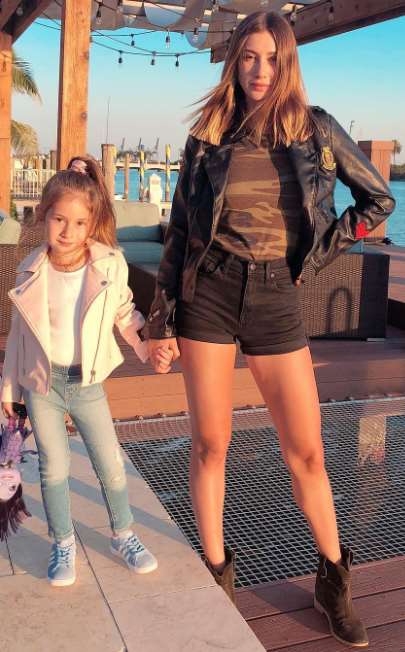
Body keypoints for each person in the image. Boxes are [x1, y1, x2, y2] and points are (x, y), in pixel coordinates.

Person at [145, 10, 395, 648]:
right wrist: (160, 320)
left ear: (288, 63)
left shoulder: (315, 129)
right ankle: (217, 575)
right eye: (250, 57)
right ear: (236, 61)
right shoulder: (208, 134)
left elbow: (377, 201)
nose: (260, 70)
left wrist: (318, 253)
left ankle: (333, 580)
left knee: (306, 451)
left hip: (276, 296)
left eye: (272, 57)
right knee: (211, 445)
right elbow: (180, 232)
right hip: (209, 293)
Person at [0, 169, 171, 586]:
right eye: (59, 219)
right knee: (54, 469)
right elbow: (18, 337)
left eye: (79, 222)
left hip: (88, 384)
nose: (68, 231)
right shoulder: (29, 270)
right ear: (43, 215)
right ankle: (63, 542)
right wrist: (9, 390)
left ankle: (123, 534)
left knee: (111, 464)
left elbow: (125, 313)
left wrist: (148, 348)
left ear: (92, 224)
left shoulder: (108, 264)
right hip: (43, 386)